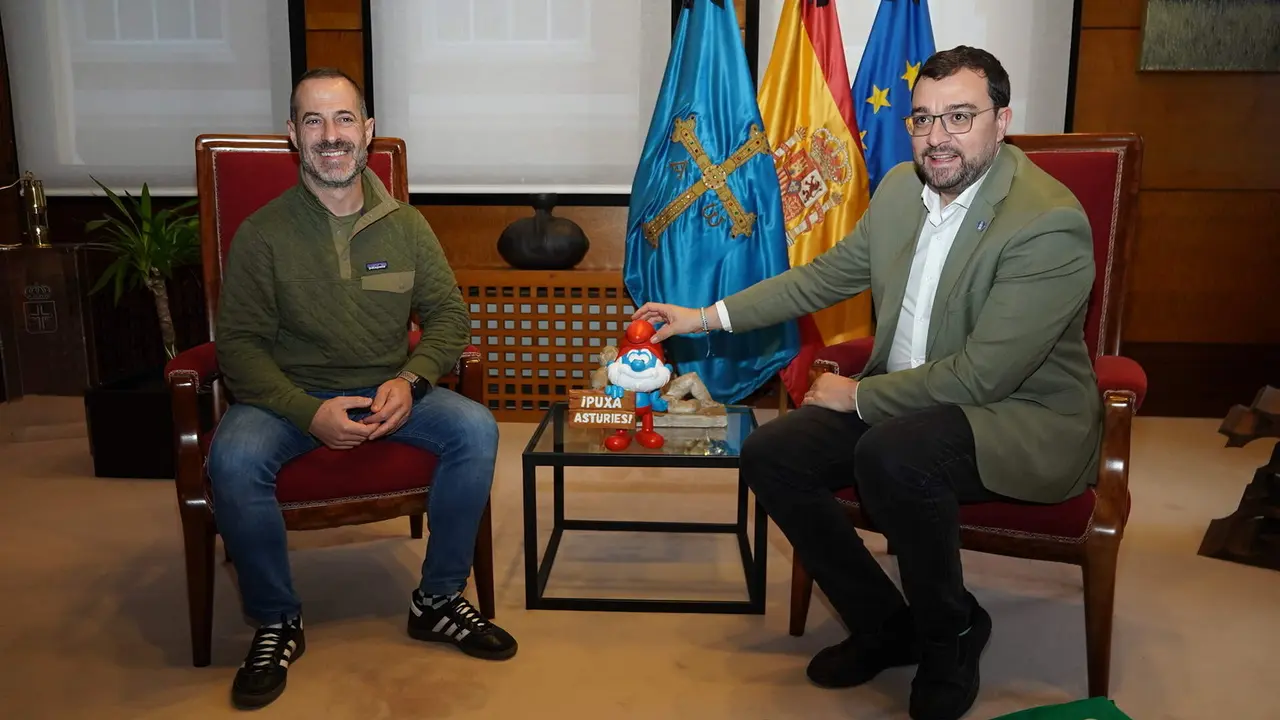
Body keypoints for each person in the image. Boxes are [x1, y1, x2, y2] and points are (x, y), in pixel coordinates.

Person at [635, 47, 1099, 720]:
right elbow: (822, 278)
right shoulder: (900, 190)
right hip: (908, 398)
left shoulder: (1047, 222)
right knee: (771, 453)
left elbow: (985, 375)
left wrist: (859, 396)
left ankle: (950, 636)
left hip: (1015, 414)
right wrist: (703, 316)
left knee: (894, 454)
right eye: (922, 119)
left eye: (959, 117)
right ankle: (886, 623)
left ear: (1001, 122)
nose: (937, 137)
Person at [207, 67, 517, 710]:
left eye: (344, 118)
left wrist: (411, 380)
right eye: (314, 121)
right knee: (232, 458)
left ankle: (437, 601)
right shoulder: (263, 233)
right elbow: (239, 348)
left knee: (476, 428)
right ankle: (276, 619)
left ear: (367, 130)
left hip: (389, 390)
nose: (331, 135)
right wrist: (307, 412)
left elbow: (449, 318)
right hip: (287, 397)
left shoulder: (407, 225)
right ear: (292, 134)